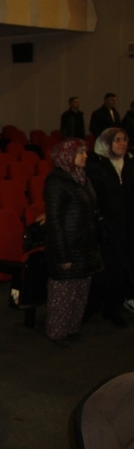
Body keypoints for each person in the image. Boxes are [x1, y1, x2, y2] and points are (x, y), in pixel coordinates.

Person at [44, 139, 104, 345]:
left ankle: (72, 327)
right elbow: (54, 221)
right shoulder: (56, 181)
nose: (85, 156)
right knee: (63, 292)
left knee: (80, 289)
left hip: (84, 243)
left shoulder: (81, 178)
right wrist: (63, 255)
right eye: (81, 152)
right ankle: (57, 332)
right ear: (68, 155)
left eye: (85, 152)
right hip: (67, 245)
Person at [85, 128, 133, 328]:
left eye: (124, 140)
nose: (122, 144)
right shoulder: (95, 166)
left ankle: (113, 310)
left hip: (127, 227)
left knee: (123, 269)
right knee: (103, 269)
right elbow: (86, 196)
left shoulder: (130, 163)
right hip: (103, 228)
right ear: (106, 143)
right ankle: (91, 307)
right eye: (117, 140)